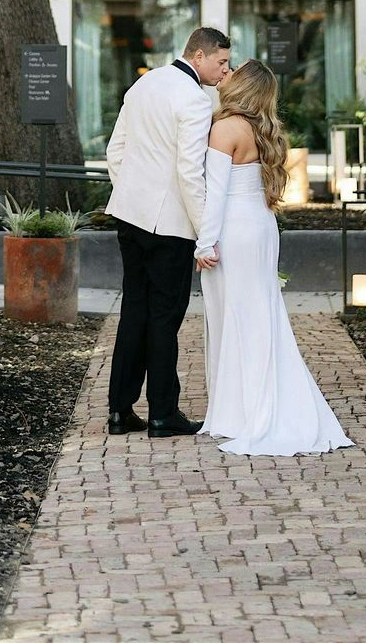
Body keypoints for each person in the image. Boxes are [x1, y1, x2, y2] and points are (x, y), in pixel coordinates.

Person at [196, 59, 353, 456]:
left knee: (231, 316)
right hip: (262, 226)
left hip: (233, 229)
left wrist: (204, 243)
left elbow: (214, 193)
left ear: (243, 86)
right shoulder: (261, 130)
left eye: (234, 70)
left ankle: (242, 414)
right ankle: (242, 410)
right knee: (259, 315)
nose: (226, 73)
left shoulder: (224, 128)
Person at [104, 25, 232, 438]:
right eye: (221, 62)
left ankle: (119, 412)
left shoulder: (145, 84)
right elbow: (189, 173)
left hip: (129, 216)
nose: (224, 71)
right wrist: (204, 233)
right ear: (199, 56)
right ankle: (163, 414)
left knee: (133, 313)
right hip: (170, 227)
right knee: (163, 318)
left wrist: (131, 195)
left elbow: (115, 151)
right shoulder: (194, 100)